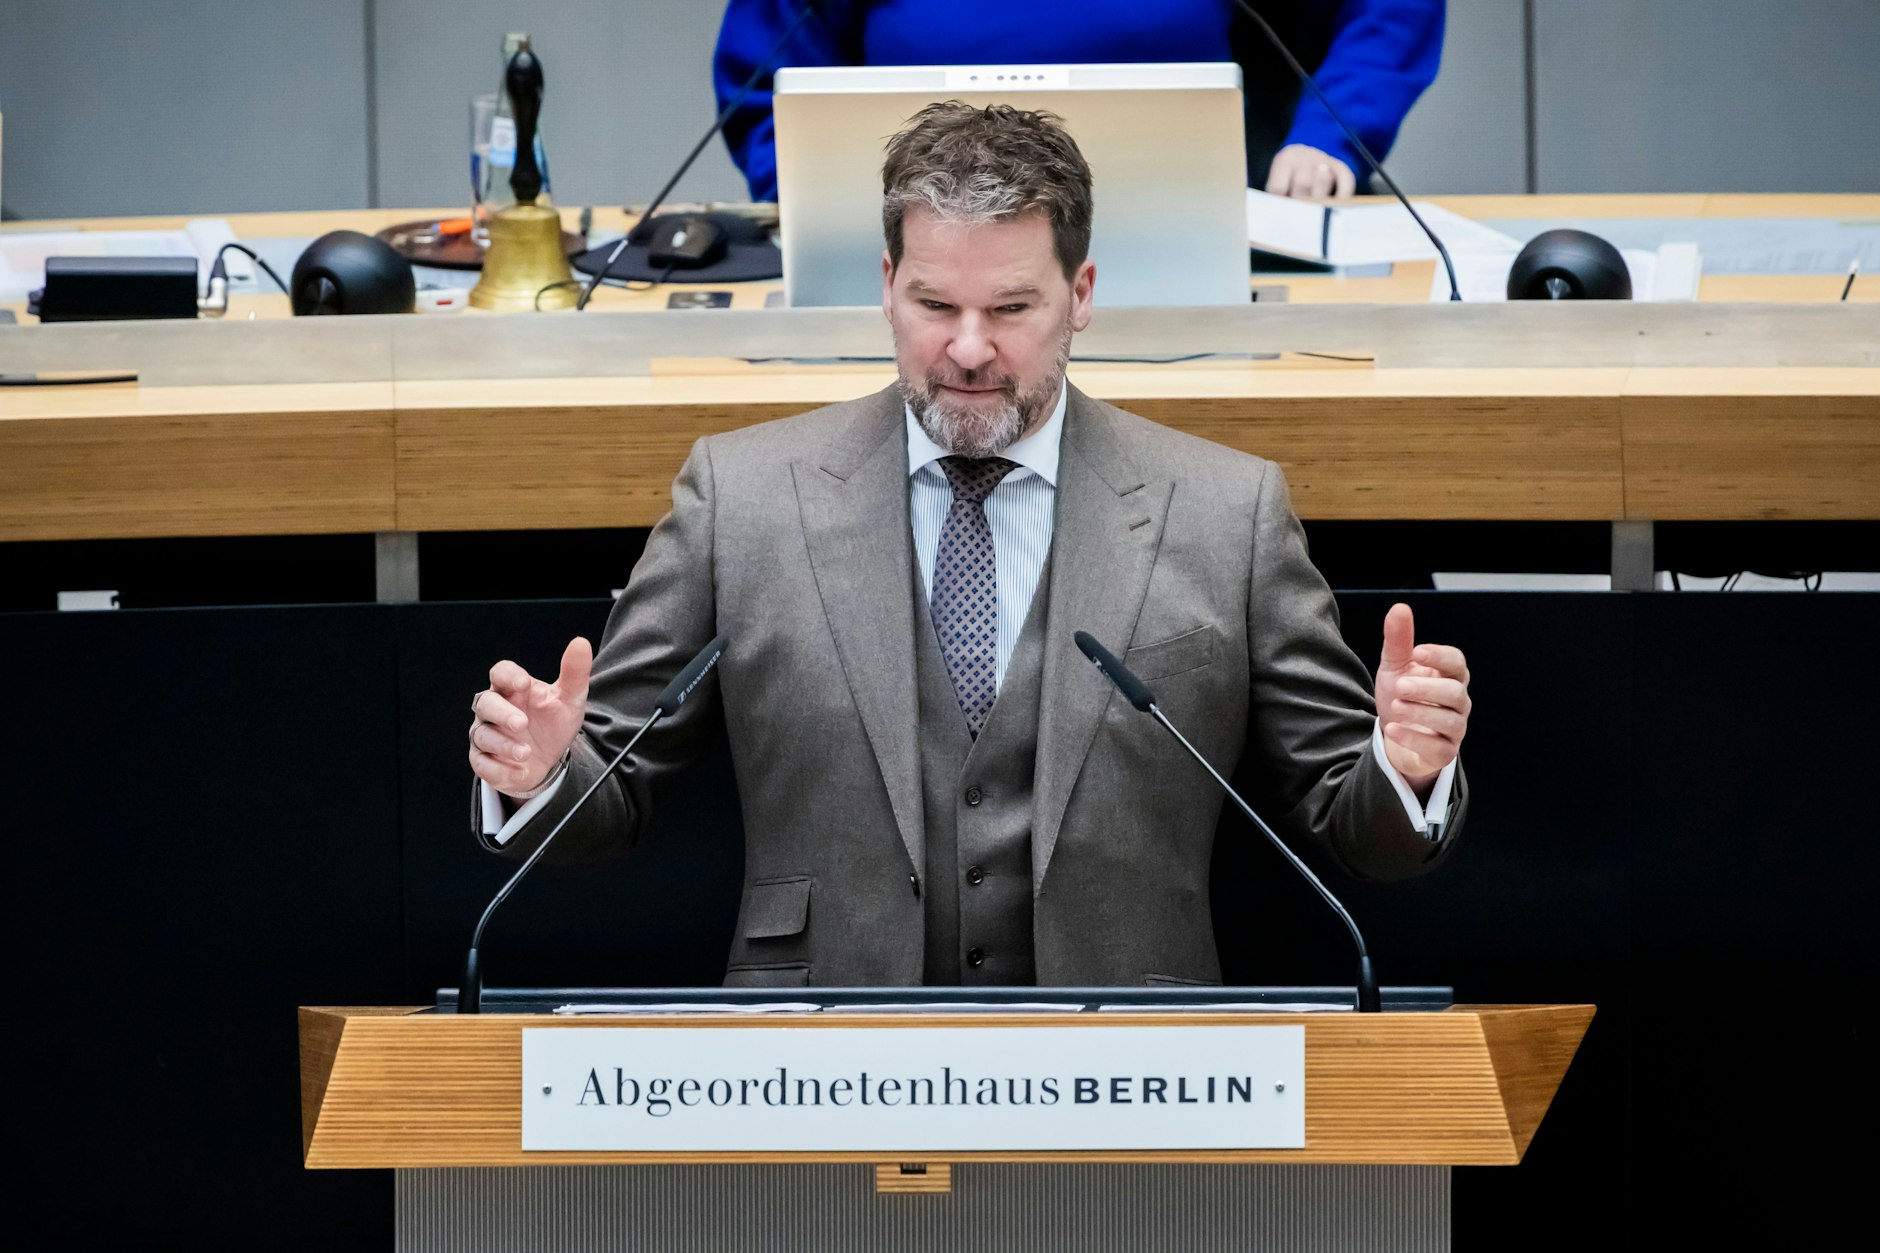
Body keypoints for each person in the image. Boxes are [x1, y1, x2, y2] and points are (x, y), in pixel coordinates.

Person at [469, 102, 1470, 988]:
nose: (968, 349)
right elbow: (610, 789)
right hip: (813, 1069)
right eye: (934, 305)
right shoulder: (742, 499)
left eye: (1011, 308)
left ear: (1079, 294)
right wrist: (544, 772)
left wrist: (1405, 768)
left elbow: (1357, 823)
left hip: (1133, 1074)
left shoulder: (1224, 511)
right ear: (886, 286)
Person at [712, 0, 1444, 201]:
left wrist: (1329, 132)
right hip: (913, 267)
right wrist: (810, 203)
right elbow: (763, 72)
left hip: (1189, 246)